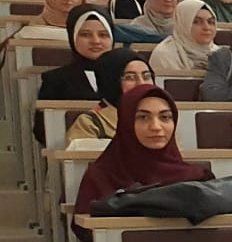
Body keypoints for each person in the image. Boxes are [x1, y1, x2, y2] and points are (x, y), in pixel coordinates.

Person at [75, 84, 208, 226]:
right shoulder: (99, 178)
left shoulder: (196, 178)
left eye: (165, 117)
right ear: (126, 122)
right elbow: (87, 232)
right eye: (143, 117)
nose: (156, 127)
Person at [63, 49, 153, 141]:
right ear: (110, 82)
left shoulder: (160, 117)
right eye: (130, 77)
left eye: (146, 76)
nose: (141, 84)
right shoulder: (90, 123)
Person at [36, 6, 117, 105]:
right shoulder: (55, 80)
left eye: (103, 35)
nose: (96, 41)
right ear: (72, 38)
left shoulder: (126, 76)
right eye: (86, 34)